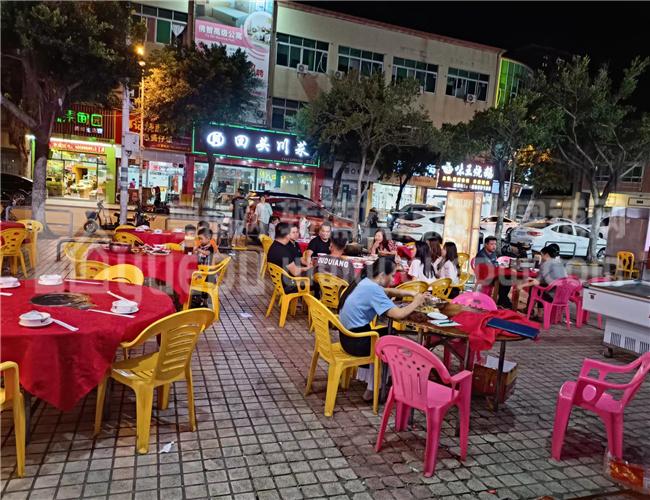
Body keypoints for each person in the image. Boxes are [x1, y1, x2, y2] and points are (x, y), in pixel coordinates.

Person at [339, 256, 429, 400]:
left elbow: (387, 291)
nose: (393, 280)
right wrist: (416, 302)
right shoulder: (373, 290)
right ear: (382, 275)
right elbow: (398, 314)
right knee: (391, 341)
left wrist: (411, 293)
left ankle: (378, 380)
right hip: (357, 343)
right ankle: (374, 389)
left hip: (347, 337)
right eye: (392, 276)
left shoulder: (365, 280)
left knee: (388, 333)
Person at [267, 222, 312, 292]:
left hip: (278, 282)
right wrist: (306, 268)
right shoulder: (284, 252)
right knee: (315, 282)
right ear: (287, 235)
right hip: (288, 285)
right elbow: (295, 272)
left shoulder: (274, 246)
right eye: (291, 232)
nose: (295, 234)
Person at [475, 236, 512, 308]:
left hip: (493, 273)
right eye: (491, 244)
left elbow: (495, 264)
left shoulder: (492, 253)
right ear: (486, 244)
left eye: (495, 244)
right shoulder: (482, 255)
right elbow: (489, 268)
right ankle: (503, 301)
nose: (494, 246)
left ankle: (502, 300)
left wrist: (500, 265)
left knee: (508, 278)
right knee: (504, 279)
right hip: (485, 276)